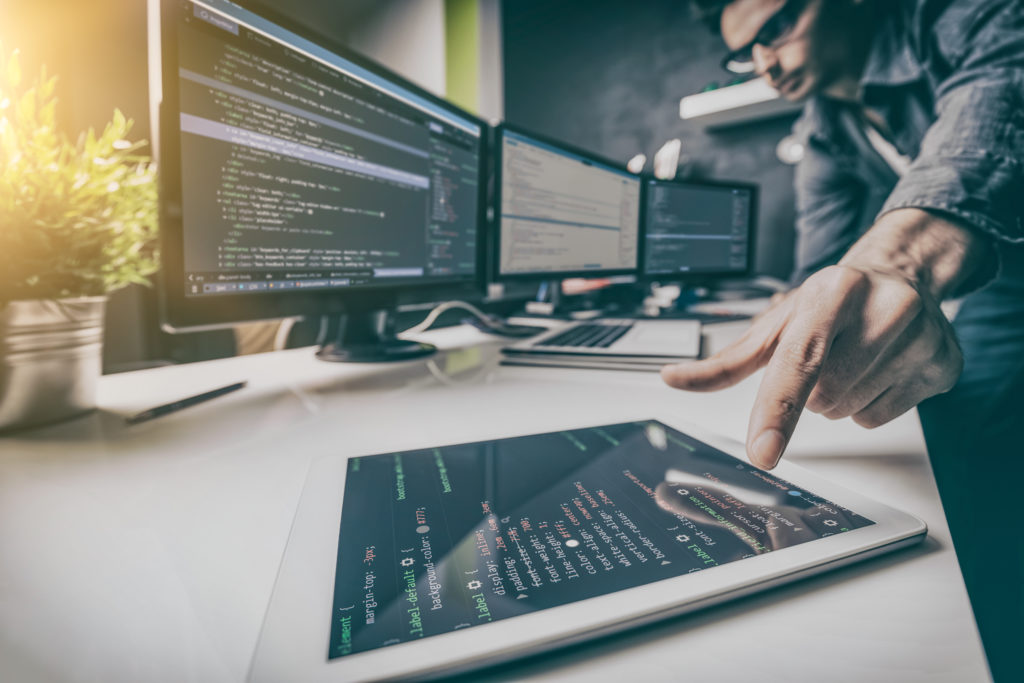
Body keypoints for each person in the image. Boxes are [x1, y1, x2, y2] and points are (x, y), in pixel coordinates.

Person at [662, 1, 1024, 679]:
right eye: (746, 52)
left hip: (1009, 272)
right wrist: (790, 310)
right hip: (983, 281)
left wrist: (897, 261)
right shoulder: (825, 125)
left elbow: (1000, 94)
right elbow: (816, 266)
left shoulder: (957, 16)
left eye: (774, 30)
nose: (765, 61)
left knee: (969, 418)